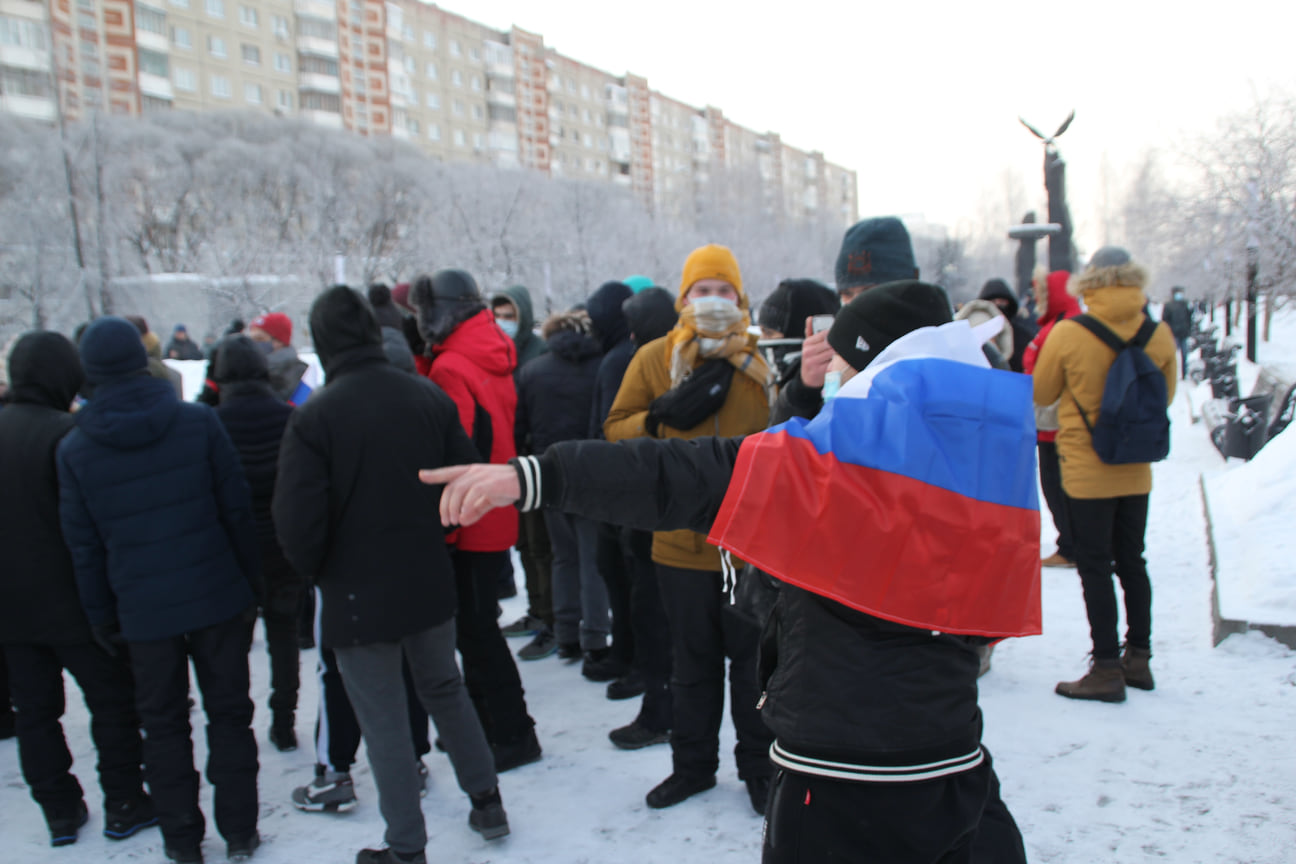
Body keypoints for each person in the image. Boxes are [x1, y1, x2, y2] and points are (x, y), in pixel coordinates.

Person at [421, 279, 1035, 864]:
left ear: (868, 366)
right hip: (957, 768)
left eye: (845, 360)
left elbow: (676, 476)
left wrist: (531, 477)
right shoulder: (988, 458)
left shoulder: (826, 468)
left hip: (837, 784)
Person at [273, 286, 508, 864]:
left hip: (355, 591)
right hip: (427, 575)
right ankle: (488, 802)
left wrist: (317, 570)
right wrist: (441, 535)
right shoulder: (426, 397)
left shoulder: (316, 417)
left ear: (323, 341)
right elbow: (463, 477)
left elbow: (297, 522)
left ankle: (406, 848)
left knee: (383, 719)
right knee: (444, 689)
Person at [57, 316, 262, 863]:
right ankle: (240, 830)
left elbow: (86, 547)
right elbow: (235, 509)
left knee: (163, 726)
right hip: (216, 591)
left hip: (141, 610)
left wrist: (101, 616)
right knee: (229, 712)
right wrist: (252, 584)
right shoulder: (197, 423)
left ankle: (182, 839)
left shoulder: (76, 451)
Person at [604, 243, 775, 814]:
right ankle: (693, 767)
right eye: (702, 291)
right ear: (683, 298)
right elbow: (616, 429)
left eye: (724, 291)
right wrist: (657, 419)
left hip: (751, 548)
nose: (713, 301)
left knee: (753, 674)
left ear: (741, 298)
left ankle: (758, 770)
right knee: (691, 668)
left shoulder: (763, 363)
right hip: (679, 544)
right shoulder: (656, 358)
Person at [0, 332, 154, 848]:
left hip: (11, 611)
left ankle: (59, 811)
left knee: (35, 710)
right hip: (76, 603)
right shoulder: (69, 435)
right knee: (112, 702)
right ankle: (125, 800)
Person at [410, 270, 541, 772]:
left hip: (469, 516)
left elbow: (454, 448)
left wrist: (447, 526)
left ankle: (511, 733)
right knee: (480, 627)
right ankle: (493, 727)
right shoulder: (487, 350)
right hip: (495, 505)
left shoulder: (451, 365)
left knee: (477, 633)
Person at [1033, 247, 1177, 702]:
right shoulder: (1159, 333)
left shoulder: (1070, 332)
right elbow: (1164, 398)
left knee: (1095, 565)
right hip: (1135, 469)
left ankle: (1106, 669)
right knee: (1133, 561)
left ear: (1090, 281)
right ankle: (1140, 659)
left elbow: (1042, 392)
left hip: (1085, 467)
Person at [212, 334, 304, 752]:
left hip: (233, 553)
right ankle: (284, 720)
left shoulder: (210, 423)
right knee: (284, 636)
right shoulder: (288, 417)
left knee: (234, 645)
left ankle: (238, 723)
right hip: (284, 545)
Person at [604, 286, 679, 749]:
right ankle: (662, 707)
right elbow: (618, 427)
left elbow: (610, 432)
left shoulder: (633, 360)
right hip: (661, 510)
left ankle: (660, 711)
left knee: (656, 619)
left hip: (651, 511)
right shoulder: (642, 360)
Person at [515, 308, 611, 671]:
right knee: (591, 559)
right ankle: (596, 638)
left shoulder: (532, 371)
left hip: (550, 474)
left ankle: (566, 634)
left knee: (562, 556)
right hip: (592, 472)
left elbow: (519, 429)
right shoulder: (602, 366)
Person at [491, 284, 557, 652]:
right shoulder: (499, 352)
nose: (503, 323)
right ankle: (537, 608)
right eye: (498, 315)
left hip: (535, 460)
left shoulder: (537, 352)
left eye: (510, 315)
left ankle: (552, 617)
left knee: (541, 544)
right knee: (526, 546)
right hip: (511, 459)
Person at [1023, 270, 1083, 569]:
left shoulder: (1062, 326)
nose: (1034, 300)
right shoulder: (1061, 322)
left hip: (1053, 420)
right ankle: (1072, 543)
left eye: (1039, 294)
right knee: (1057, 486)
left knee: (1057, 487)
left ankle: (1071, 546)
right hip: (1050, 419)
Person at [978, 279, 1035, 372]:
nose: (997, 305)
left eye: (1002, 301)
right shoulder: (976, 334)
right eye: (993, 302)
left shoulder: (1023, 336)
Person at [247, 312, 307, 402]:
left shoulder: (299, 374)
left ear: (279, 341)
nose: (253, 344)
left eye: (259, 339)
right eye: (251, 340)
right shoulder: (253, 372)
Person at [1161, 286, 1194, 379]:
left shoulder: (1186, 304)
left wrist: (1188, 329)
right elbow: (1165, 319)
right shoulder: (1169, 305)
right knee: (1171, 355)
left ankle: (1184, 373)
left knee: (1184, 354)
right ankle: (1170, 373)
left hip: (1183, 333)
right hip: (1173, 334)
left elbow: (1189, 318)